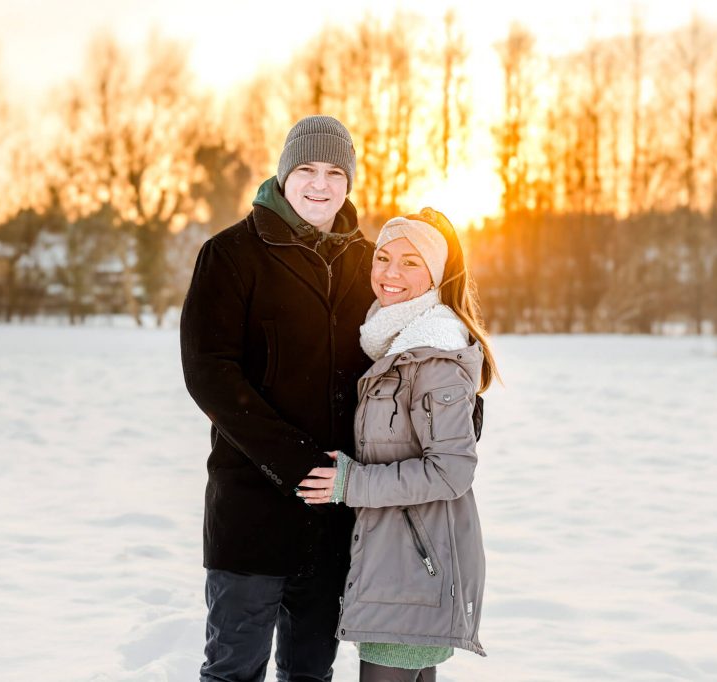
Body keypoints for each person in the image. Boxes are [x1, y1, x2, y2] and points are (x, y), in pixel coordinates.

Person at [180, 115, 376, 681]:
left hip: (336, 517)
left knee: (311, 674)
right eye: (308, 169)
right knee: (233, 671)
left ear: (350, 181)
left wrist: (458, 403)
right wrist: (296, 463)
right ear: (284, 174)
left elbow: (411, 347)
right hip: (252, 514)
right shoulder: (232, 254)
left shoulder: (371, 262)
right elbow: (210, 373)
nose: (321, 184)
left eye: (336, 172)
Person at [298, 207, 498, 682]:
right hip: (396, 559)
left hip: (414, 564)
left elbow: (452, 469)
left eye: (410, 263)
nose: (390, 273)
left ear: (436, 274)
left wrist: (351, 483)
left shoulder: (435, 355)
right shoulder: (389, 343)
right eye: (383, 257)